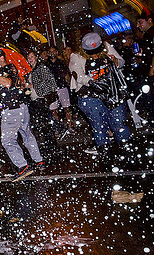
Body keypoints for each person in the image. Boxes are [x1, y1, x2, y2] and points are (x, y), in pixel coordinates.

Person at [69, 32, 130, 164]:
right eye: (92, 53)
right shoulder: (76, 56)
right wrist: (92, 82)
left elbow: (121, 62)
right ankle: (106, 155)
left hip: (112, 92)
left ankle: (126, 151)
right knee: (99, 126)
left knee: (120, 124)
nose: (95, 56)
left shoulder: (107, 47)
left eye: (97, 52)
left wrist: (116, 61)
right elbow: (77, 75)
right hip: (90, 95)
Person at [0, 48, 44, 181]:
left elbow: (7, 83)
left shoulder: (5, 69)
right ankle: (38, 160)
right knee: (26, 133)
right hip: (20, 107)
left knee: (7, 140)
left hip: (12, 109)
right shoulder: (12, 68)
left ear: (2, 58)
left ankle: (23, 166)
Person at [46, 46, 74, 131]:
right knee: (54, 110)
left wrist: (69, 83)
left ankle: (69, 126)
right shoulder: (46, 64)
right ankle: (57, 128)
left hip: (62, 87)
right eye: (50, 52)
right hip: (52, 89)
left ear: (57, 52)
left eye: (54, 51)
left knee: (67, 108)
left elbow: (66, 74)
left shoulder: (61, 62)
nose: (52, 53)